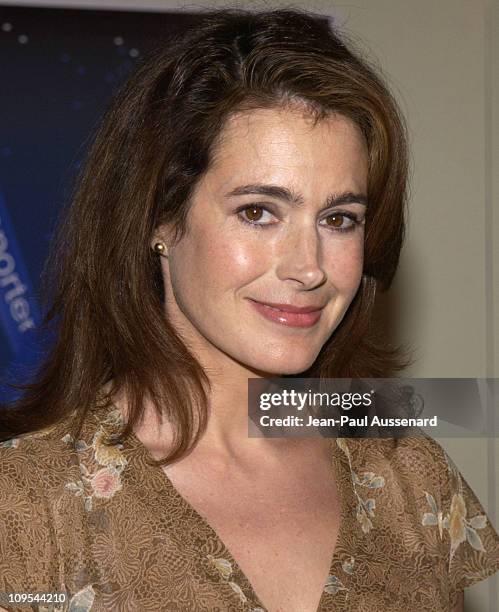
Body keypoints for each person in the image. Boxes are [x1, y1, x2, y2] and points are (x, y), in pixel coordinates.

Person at [0, 8, 497, 612]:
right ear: (159, 218)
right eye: (259, 212)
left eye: (339, 219)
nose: (309, 267)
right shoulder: (25, 506)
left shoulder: (406, 471)